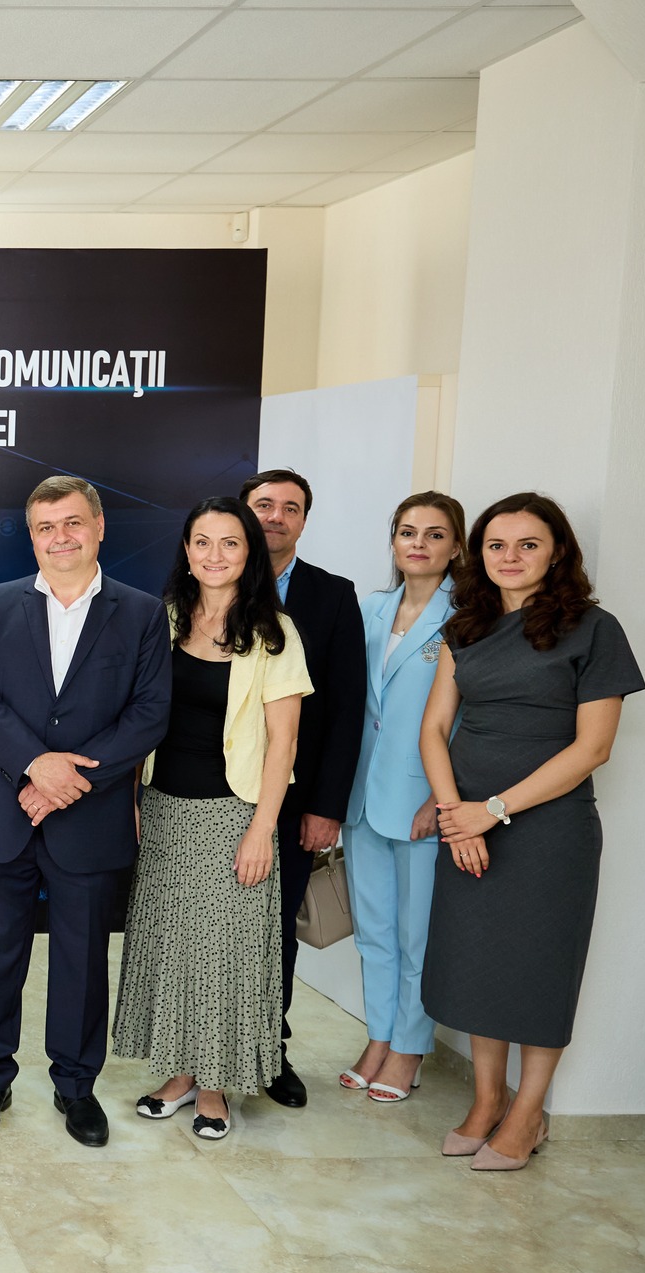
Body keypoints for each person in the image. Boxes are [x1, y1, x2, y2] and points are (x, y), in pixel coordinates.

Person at [420, 493, 642, 1171]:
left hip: (549, 831)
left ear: (557, 552)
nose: (509, 557)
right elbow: (434, 728)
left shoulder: (594, 629)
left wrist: (493, 810)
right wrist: (456, 814)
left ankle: (528, 1111)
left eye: (528, 544)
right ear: (479, 555)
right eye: (496, 545)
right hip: (467, 825)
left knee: (540, 970)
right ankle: (488, 1099)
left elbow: (593, 747)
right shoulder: (465, 627)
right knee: (478, 965)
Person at [0, 475, 171, 1148]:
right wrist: (34, 765)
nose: (60, 537)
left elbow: (148, 714)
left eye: (73, 522)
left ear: (99, 527)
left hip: (88, 816)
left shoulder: (141, 612)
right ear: (32, 537)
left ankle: (76, 1086)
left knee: (81, 960)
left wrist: (65, 781)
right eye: (46, 527)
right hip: (4, 810)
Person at [115, 497, 311, 1140]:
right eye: (202, 541)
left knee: (224, 955)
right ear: (186, 550)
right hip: (163, 808)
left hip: (234, 815)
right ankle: (177, 1074)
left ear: (249, 552)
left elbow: (284, 743)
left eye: (230, 542)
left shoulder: (276, 632)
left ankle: (215, 1086)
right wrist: (133, 800)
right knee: (170, 946)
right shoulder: (164, 618)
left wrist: (262, 830)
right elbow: (138, 716)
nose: (215, 554)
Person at [242, 470, 366, 1108]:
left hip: (295, 800)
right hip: (207, 794)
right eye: (264, 504)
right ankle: (203, 1050)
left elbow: (345, 708)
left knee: (274, 930)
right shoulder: (204, 584)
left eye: (290, 508)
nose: (276, 516)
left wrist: (327, 806)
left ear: (304, 521)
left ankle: (270, 1049)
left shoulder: (333, 595)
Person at [339, 492, 465, 1103]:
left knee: (417, 934)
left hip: (422, 799)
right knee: (373, 931)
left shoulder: (467, 618)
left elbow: (467, 718)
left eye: (435, 534)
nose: (419, 543)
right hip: (362, 794)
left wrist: (442, 797)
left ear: (456, 547)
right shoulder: (369, 608)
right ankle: (379, 1037)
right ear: (393, 541)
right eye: (408, 532)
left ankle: (409, 1048)